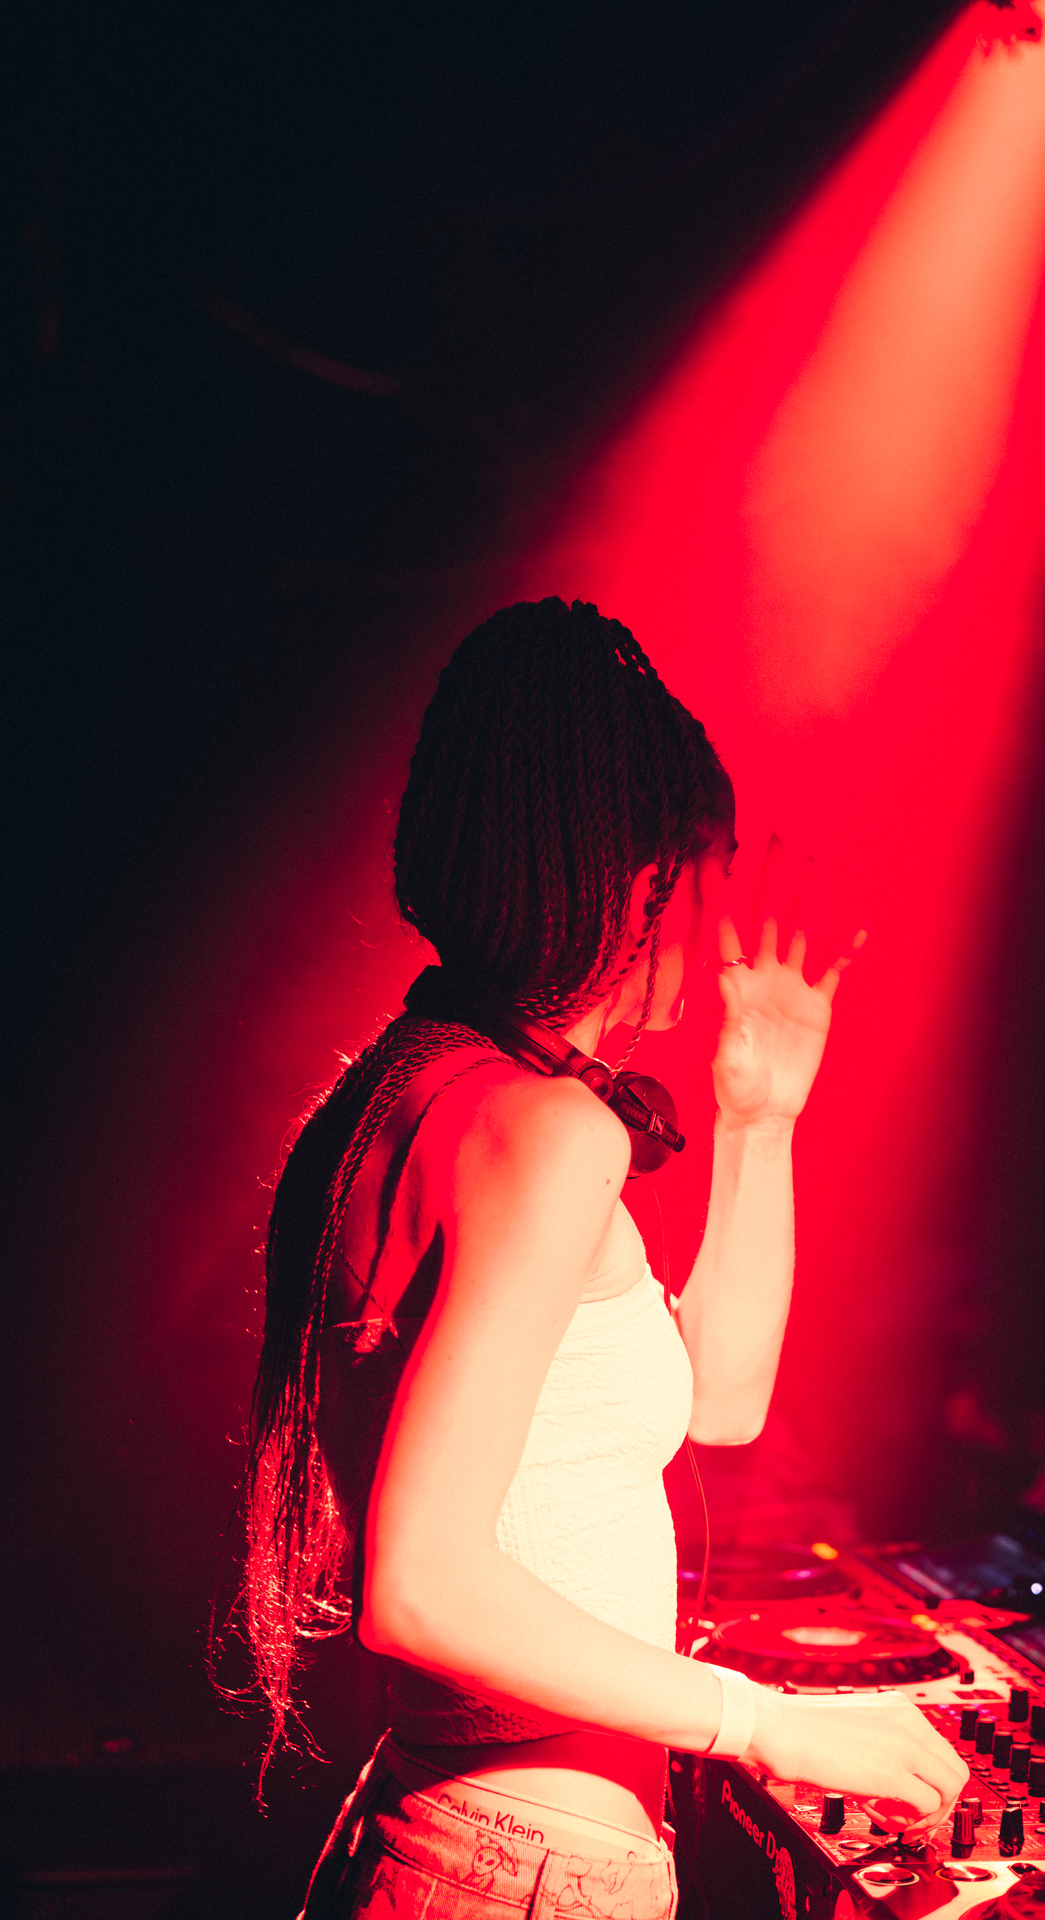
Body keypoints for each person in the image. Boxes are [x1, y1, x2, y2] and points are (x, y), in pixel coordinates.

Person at [241, 598, 966, 1919]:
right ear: (644, 881)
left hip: (453, 1837)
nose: (726, 919)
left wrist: (759, 1120)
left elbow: (721, 1405)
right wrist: (765, 1723)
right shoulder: (545, 1129)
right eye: (715, 870)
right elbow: (423, 1587)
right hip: (524, 1871)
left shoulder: (406, 1091)